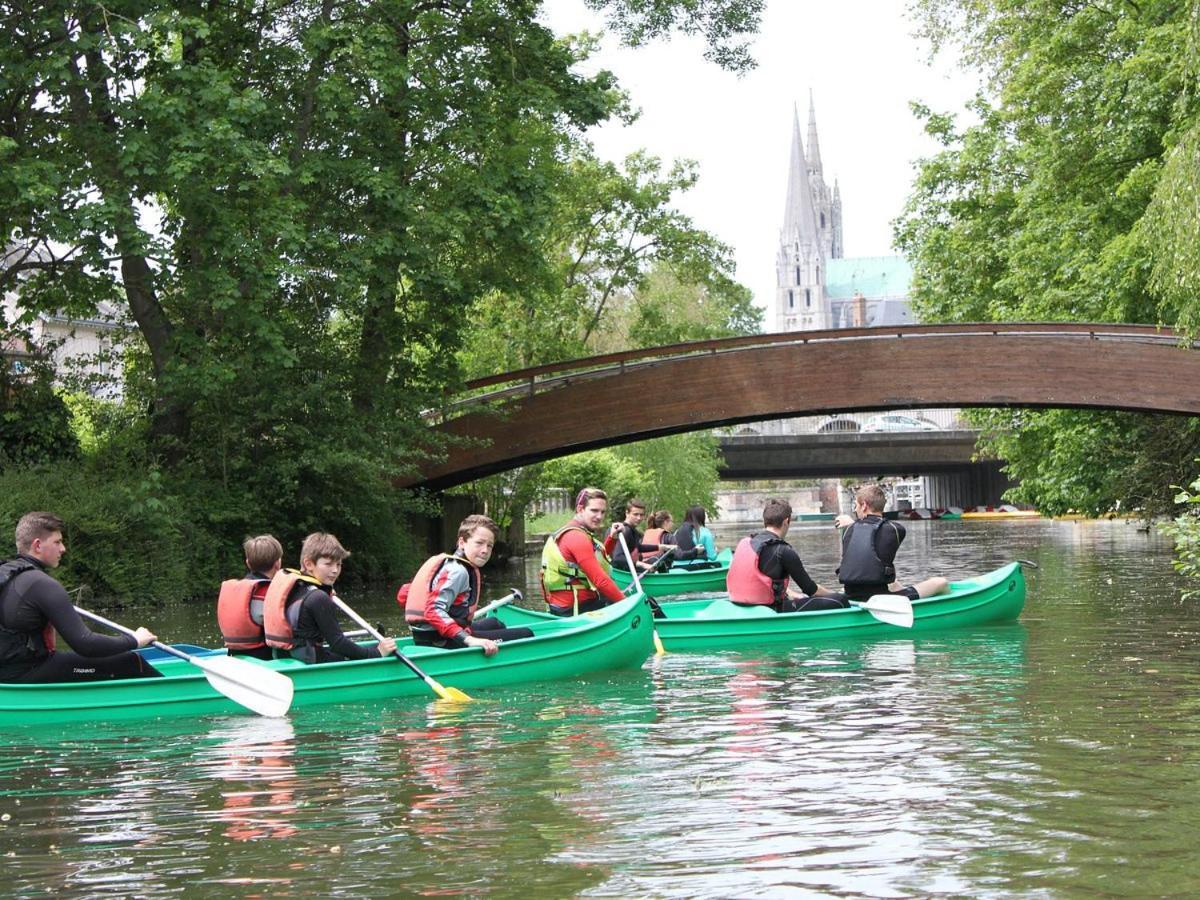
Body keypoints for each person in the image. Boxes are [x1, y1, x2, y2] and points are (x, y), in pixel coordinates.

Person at [0, 511, 162, 683]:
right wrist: (134, 640)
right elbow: (86, 645)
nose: (63, 549)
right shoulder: (42, 585)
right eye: (57, 542)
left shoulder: (6, 575)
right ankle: (173, 699)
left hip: (8, 670)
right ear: (38, 545)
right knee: (130, 661)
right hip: (24, 674)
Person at [401, 514, 533, 655]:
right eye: (479, 543)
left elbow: (403, 595)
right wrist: (469, 640)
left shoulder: (450, 564)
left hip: (428, 635)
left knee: (495, 623)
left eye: (489, 546)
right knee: (526, 634)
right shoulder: (458, 571)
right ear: (462, 542)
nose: (485, 550)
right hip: (441, 641)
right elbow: (433, 610)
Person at [263, 532, 397, 664]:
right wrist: (376, 653)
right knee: (359, 652)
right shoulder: (318, 597)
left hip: (287, 656)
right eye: (328, 564)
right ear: (309, 564)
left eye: (338, 564)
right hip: (311, 660)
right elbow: (338, 644)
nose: (335, 570)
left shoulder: (297, 588)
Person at [726, 498, 847, 612]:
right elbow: (811, 590)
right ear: (786, 521)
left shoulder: (747, 542)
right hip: (770, 609)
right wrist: (835, 594)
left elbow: (761, 580)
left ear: (765, 521)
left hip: (740, 604)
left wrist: (790, 593)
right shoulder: (783, 550)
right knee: (840, 600)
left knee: (798, 597)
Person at [834, 483, 950, 602]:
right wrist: (853, 523)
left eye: (856, 505)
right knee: (941, 582)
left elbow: (863, 540)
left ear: (864, 505)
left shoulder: (848, 529)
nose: (855, 509)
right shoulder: (896, 529)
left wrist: (852, 524)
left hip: (850, 596)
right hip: (882, 598)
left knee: (893, 583)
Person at [540, 487, 625, 616]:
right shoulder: (577, 537)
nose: (599, 516)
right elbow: (600, 581)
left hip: (571, 607)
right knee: (646, 602)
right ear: (580, 509)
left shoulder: (574, 531)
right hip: (575, 610)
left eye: (603, 512)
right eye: (594, 511)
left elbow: (596, 561)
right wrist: (628, 604)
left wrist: (612, 538)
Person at [217, 534, 283, 660]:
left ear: (248, 563)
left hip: (235, 656)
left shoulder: (235, 589)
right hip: (264, 660)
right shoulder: (270, 592)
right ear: (277, 563)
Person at [609, 499, 670, 572]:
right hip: (623, 571)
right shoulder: (625, 531)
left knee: (657, 561)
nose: (639, 518)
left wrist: (661, 547)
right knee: (657, 563)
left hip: (627, 568)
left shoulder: (632, 530)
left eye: (641, 515)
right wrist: (642, 564)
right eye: (635, 514)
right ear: (627, 513)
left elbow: (637, 547)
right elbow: (617, 558)